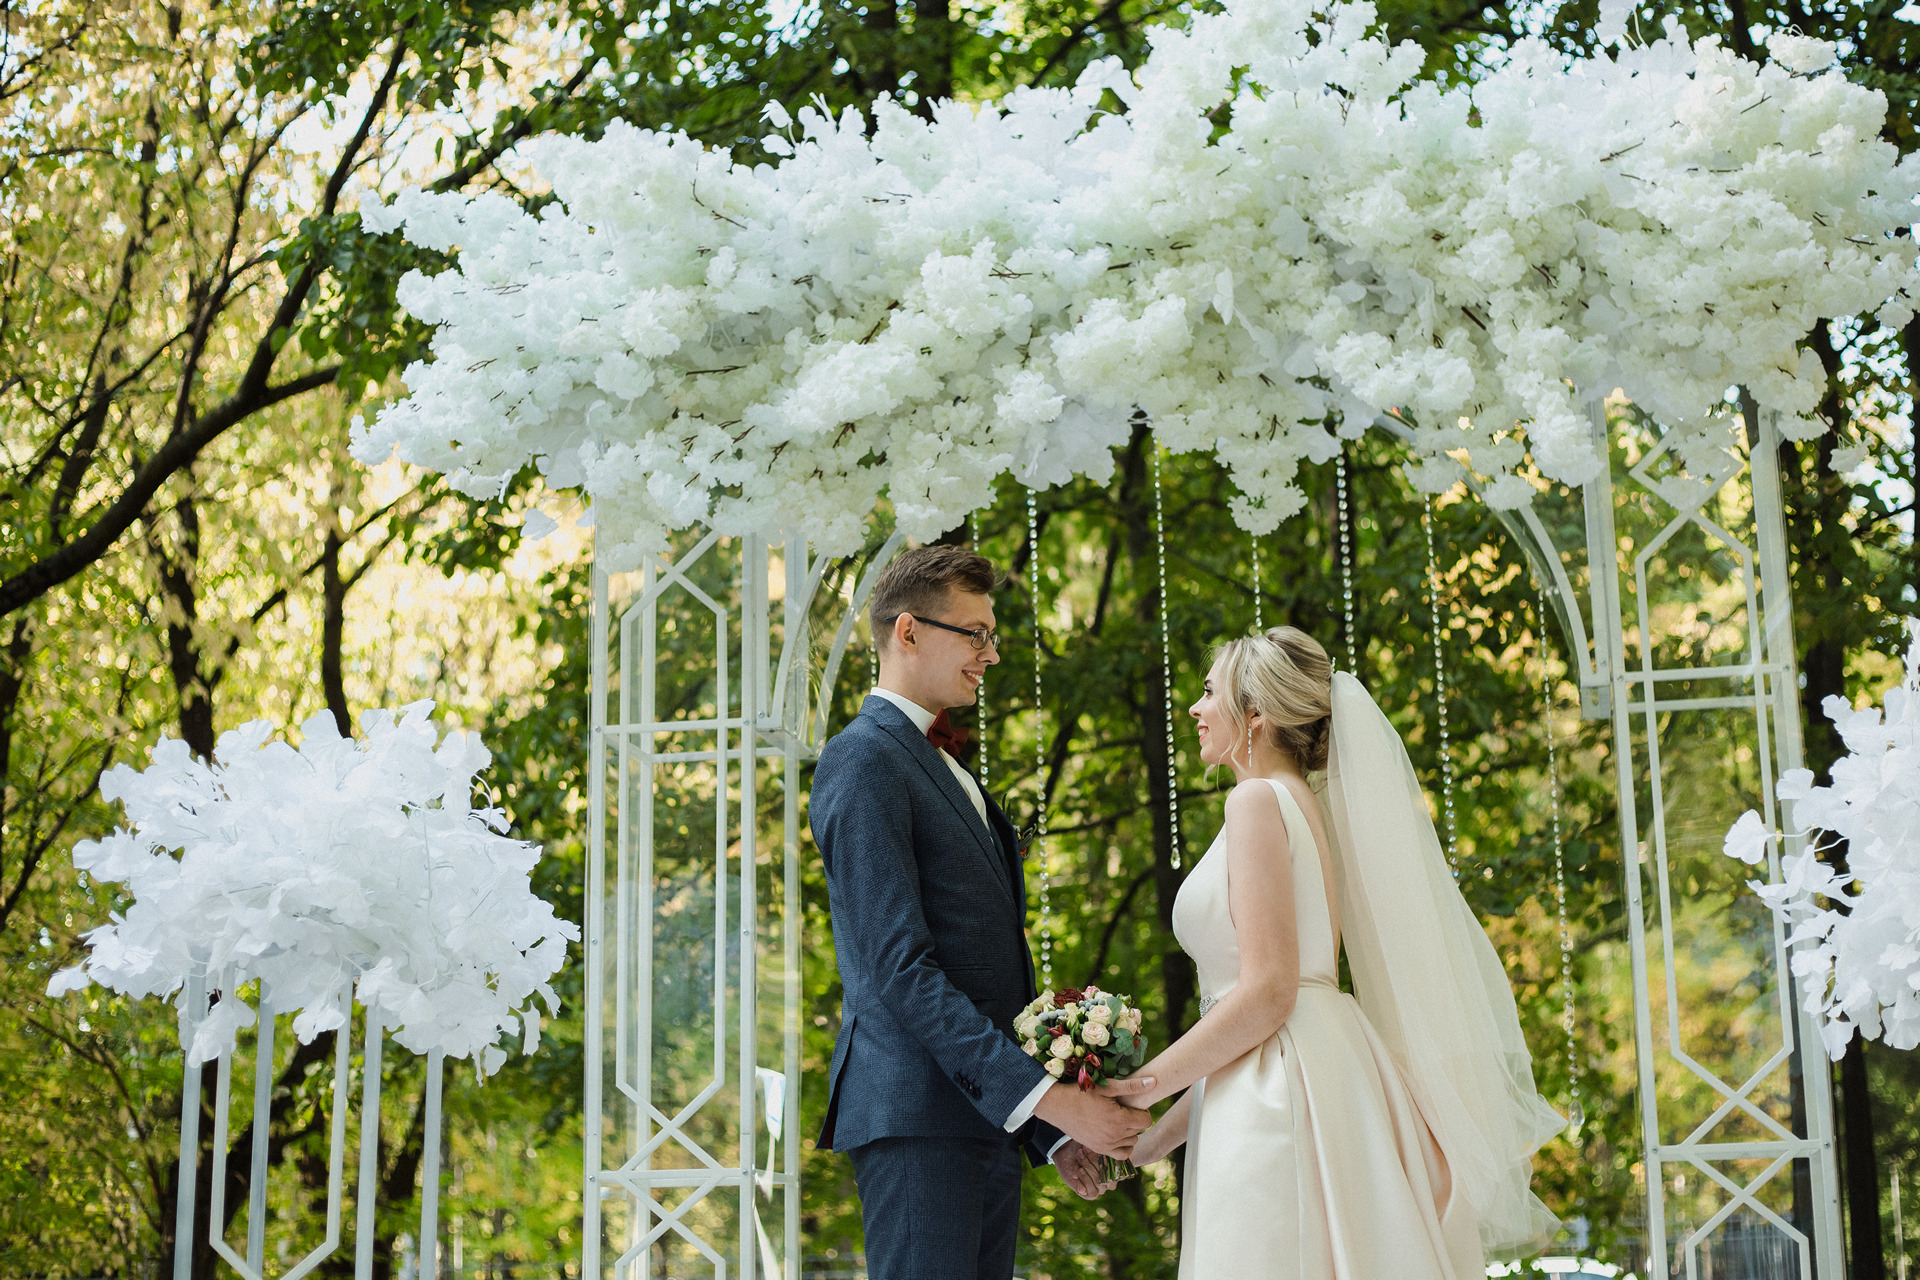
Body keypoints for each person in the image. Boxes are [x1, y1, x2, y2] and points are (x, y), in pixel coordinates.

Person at [1120, 626, 1564, 1278]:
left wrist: (1137, 1088)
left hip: (1277, 1091)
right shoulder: (1305, 807)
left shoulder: (1254, 801)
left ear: (1255, 715)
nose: (1195, 707)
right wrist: (1154, 1138)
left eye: (1210, 691)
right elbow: (1268, 1006)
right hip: (1310, 1067)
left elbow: (1266, 995)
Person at [809, 543, 1153, 1280]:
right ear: (907, 632)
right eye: (975, 633)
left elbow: (989, 970)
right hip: (919, 1121)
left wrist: (1047, 1132)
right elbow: (901, 971)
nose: (990, 654)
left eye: (990, 634)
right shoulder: (863, 759)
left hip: (985, 1123)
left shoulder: (943, 766)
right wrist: (1050, 1101)